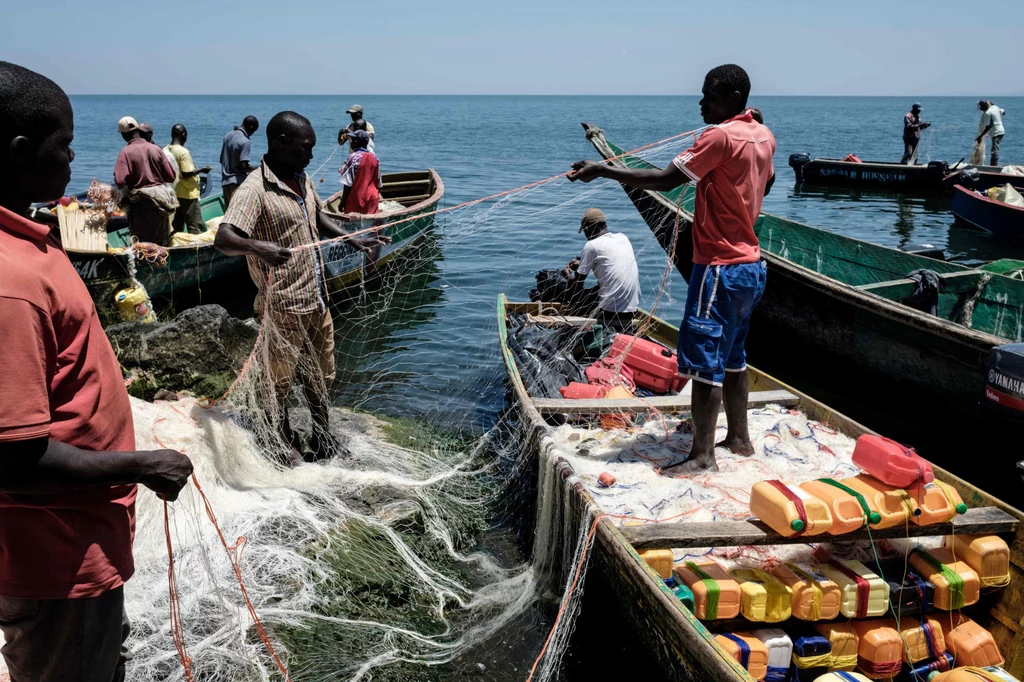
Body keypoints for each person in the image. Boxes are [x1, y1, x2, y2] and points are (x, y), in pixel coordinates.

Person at [0, 60, 193, 682]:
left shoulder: (26, 243)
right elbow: (13, 457)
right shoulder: (12, 281)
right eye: (65, 145)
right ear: (21, 152)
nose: (75, 157)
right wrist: (143, 464)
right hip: (57, 557)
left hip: (75, 542)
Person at [568, 64, 775, 474]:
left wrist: (602, 170)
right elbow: (765, 185)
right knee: (734, 357)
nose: (701, 102)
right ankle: (739, 438)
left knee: (703, 363)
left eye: (709, 96)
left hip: (717, 268)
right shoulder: (763, 135)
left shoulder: (719, 136)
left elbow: (665, 180)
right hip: (751, 268)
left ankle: (701, 455)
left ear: (732, 99)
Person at [213, 111, 390, 463]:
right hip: (282, 306)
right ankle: (280, 440)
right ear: (281, 143)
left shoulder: (301, 178)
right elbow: (224, 237)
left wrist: (354, 239)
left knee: (321, 375)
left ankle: (322, 436)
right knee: (277, 382)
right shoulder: (254, 189)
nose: (311, 154)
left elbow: (317, 216)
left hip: (317, 299)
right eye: (305, 147)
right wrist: (257, 246)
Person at [563, 208, 640, 334]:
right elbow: (608, 259)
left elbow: (577, 285)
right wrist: (582, 262)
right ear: (604, 225)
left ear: (588, 229)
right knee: (597, 289)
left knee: (574, 296)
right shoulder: (623, 238)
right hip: (632, 306)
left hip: (610, 310)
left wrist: (567, 275)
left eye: (585, 231)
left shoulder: (591, 245)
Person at [114, 116, 179, 245]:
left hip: (141, 206)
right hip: (161, 202)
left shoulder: (125, 152)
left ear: (123, 135)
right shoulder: (156, 149)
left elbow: (120, 180)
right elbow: (170, 176)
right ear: (137, 129)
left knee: (143, 245)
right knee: (161, 242)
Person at [165, 124, 212, 234]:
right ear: (184, 135)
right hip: (188, 194)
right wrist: (202, 170)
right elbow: (186, 174)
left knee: (176, 226)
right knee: (195, 226)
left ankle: (175, 246)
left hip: (173, 193)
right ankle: (196, 248)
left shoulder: (165, 150)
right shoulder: (183, 152)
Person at [337, 130, 381, 216]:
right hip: (372, 202)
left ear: (358, 142)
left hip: (356, 201)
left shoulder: (352, 158)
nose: (351, 142)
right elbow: (379, 184)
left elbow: (348, 184)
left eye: (353, 140)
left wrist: (342, 203)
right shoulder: (375, 159)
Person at [220, 115, 259, 207]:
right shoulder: (245, 141)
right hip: (238, 184)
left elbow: (222, 160)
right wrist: (256, 169)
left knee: (229, 214)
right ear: (251, 127)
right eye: (254, 131)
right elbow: (244, 166)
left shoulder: (227, 136)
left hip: (225, 183)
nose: (252, 134)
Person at [977, 100, 1006, 166]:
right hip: (1001, 131)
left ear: (983, 107)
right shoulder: (995, 107)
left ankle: (993, 166)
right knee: (994, 149)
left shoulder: (988, 113)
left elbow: (988, 127)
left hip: (996, 132)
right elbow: (1003, 112)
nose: (981, 110)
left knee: (994, 151)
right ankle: (993, 165)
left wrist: (980, 136)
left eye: (981, 108)